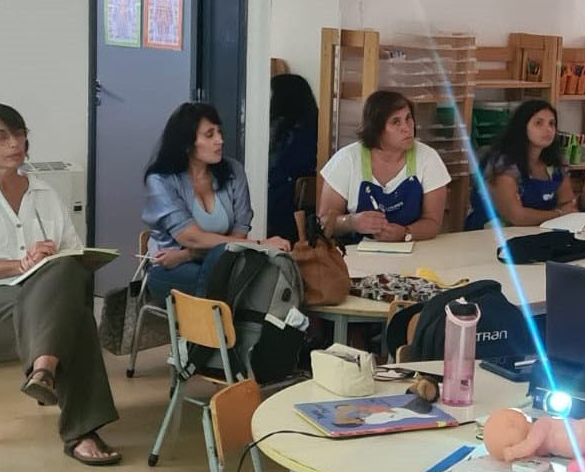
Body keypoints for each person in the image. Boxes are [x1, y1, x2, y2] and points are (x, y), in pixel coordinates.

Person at [0, 103, 121, 466]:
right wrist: (18, 265)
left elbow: (71, 255)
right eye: (1, 137)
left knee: (66, 274)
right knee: (73, 318)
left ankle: (43, 370)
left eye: (19, 134)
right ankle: (80, 430)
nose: (15, 143)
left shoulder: (45, 194)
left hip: (40, 302)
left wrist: (54, 260)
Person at [142, 102, 289, 301]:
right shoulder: (160, 180)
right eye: (209, 135)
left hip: (215, 262)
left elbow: (239, 235)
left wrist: (188, 255)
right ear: (187, 144)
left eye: (219, 132)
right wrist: (261, 244)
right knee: (227, 280)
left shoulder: (234, 171)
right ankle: (223, 319)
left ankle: (221, 319)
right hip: (169, 268)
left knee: (241, 274)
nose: (220, 140)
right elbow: (191, 238)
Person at [318, 90, 451, 242]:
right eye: (396, 122)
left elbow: (433, 222)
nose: (407, 128)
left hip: (413, 251)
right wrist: (351, 222)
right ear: (376, 128)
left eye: (408, 118)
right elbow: (323, 222)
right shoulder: (346, 160)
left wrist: (405, 233)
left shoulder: (428, 158)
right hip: (353, 253)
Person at [463, 99, 578, 230]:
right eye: (539, 123)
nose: (548, 129)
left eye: (552, 124)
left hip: (537, 233)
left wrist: (561, 213)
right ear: (522, 127)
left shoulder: (556, 165)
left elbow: (568, 205)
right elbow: (516, 216)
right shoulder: (503, 164)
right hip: (491, 236)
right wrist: (559, 214)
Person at [268, 73, 319, 242]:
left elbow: (272, 167)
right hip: (306, 210)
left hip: (281, 203)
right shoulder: (317, 125)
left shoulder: (280, 130)